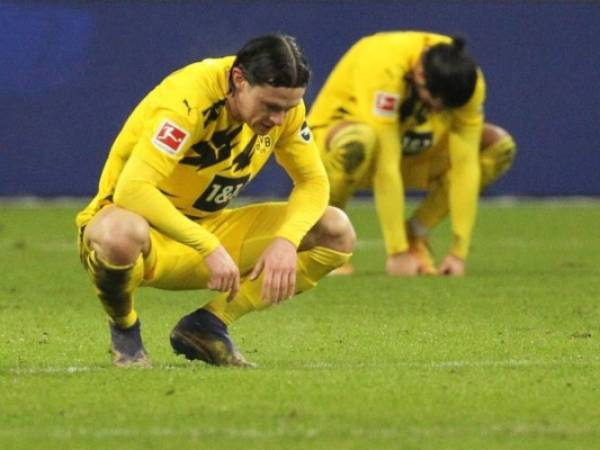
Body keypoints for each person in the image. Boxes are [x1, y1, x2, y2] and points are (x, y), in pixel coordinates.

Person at [76, 34, 355, 368]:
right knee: (118, 232)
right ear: (238, 79)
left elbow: (312, 181)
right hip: (147, 238)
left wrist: (286, 241)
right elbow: (132, 190)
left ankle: (208, 326)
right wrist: (207, 245)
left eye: (289, 108)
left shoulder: (284, 110)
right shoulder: (188, 100)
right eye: (270, 107)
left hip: (210, 235)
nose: (279, 119)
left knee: (335, 229)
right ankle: (125, 330)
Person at [308, 31, 516, 277]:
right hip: (340, 148)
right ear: (419, 75)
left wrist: (458, 253)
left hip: (412, 147)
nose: (435, 111)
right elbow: (386, 165)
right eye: (432, 105)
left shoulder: (467, 82)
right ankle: (326, 236)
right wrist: (397, 253)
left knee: (498, 147)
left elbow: (465, 164)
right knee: (360, 141)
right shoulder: (382, 63)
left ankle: (416, 231)